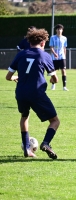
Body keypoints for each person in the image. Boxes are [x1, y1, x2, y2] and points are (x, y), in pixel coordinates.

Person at [5, 28, 60, 159]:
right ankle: (46, 143)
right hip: (37, 92)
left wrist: (15, 78)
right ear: (42, 43)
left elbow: (8, 76)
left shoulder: (21, 54)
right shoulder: (44, 55)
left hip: (21, 92)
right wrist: (52, 79)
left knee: (24, 117)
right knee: (55, 121)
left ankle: (26, 148)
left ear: (29, 42)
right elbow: (55, 78)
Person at [49, 24, 68, 91]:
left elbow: (64, 48)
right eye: (58, 29)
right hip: (54, 58)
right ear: (56, 30)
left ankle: (64, 86)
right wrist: (54, 53)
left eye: (60, 29)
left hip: (62, 57)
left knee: (63, 71)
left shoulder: (64, 38)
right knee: (54, 72)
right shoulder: (52, 37)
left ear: (62, 30)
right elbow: (51, 47)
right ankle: (53, 85)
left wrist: (64, 56)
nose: (59, 30)